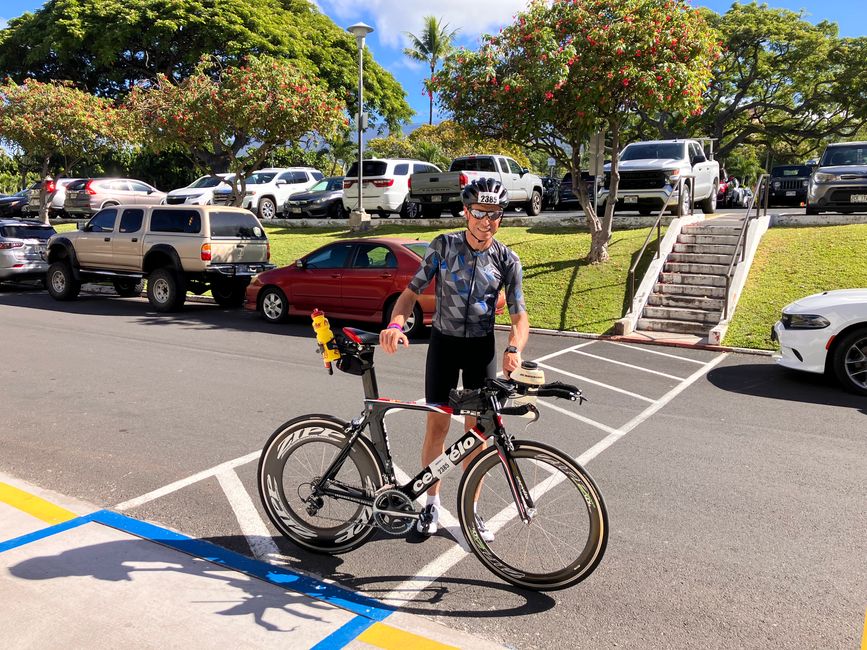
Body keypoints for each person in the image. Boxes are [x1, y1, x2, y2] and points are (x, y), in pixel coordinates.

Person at [379, 177, 529, 541]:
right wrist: (396, 323)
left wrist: (514, 349)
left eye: (494, 214)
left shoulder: (507, 259)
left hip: (481, 350)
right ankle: (431, 503)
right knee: (437, 428)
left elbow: (520, 316)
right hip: (444, 345)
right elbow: (410, 293)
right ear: (466, 212)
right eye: (479, 212)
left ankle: (470, 510)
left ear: (500, 218)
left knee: (477, 434)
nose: (486, 221)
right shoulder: (443, 247)